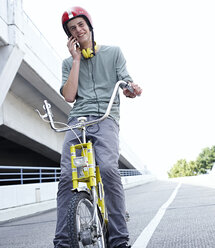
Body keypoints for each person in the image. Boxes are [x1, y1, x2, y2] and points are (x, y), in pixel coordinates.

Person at [54, 6, 142, 248]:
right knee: (65, 178)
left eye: (81, 25)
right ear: (69, 37)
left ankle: (119, 239)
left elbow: (125, 82)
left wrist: (131, 89)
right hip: (78, 120)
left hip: (105, 118)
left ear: (90, 26)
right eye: (72, 29)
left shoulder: (114, 53)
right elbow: (70, 96)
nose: (78, 30)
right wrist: (76, 60)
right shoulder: (67, 63)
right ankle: (62, 242)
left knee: (108, 170)